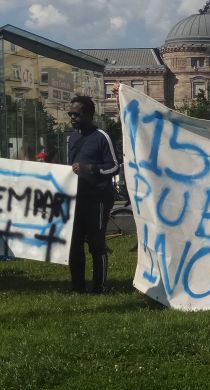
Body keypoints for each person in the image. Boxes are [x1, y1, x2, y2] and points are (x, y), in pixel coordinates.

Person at [67, 95, 120, 293]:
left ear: (89, 114)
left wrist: (91, 169)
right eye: (70, 114)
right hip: (77, 199)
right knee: (74, 244)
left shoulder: (101, 137)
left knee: (96, 244)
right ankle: (77, 287)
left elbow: (114, 167)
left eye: (76, 114)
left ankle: (99, 287)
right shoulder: (72, 138)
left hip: (97, 199)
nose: (72, 118)